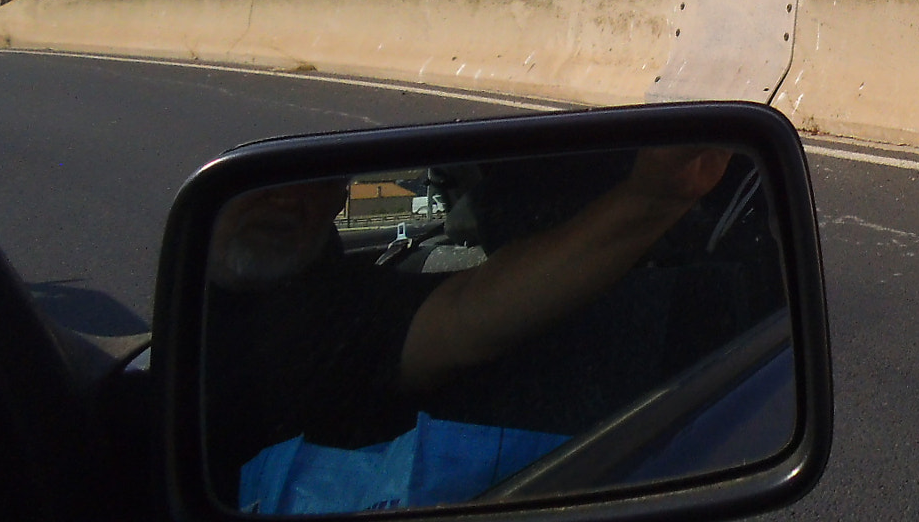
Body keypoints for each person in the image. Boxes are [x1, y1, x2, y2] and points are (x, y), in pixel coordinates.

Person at [204, 147, 730, 511]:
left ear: (340, 200)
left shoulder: (332, 313)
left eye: (318, 181)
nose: (288, 198)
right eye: (264, 179)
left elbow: (468, 314)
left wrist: (653, 198)